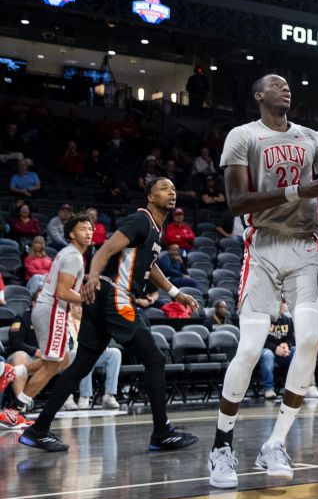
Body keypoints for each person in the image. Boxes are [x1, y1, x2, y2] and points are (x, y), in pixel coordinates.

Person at [208, 73, 318, 488]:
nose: (285, 87)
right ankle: (222, 445)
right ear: (258, 95)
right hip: (263, 247)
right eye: (275, 84)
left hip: (306, 248)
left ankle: (275, 442)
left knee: (309, 340)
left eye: (288, 84)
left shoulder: (312, 137)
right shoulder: (243, 135)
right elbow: (236, 202)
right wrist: (300, 190)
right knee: (251, 347)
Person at [19, 179, 200, 452]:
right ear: (150, 196)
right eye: (164, 188)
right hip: (115, 297)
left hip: (103, 301)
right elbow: (105, 249)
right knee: (155, 359)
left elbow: (149, 267)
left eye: (174, 188)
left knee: (80, 366)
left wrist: (175, 293)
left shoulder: (155, 229)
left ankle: (38, 430)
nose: (171, 192)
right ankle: (161, 432)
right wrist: (92, 277)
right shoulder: (140, 219)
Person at [66, 303, 121, 410]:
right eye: (78, 306)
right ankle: (84, 396)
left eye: (83, 306)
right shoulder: (66, 321)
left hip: (93, 354)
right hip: (74, 356)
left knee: (115, 353)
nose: (81, 309)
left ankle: (109, 396)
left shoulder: (91, 320)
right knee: (84, 354)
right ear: (72, 307)